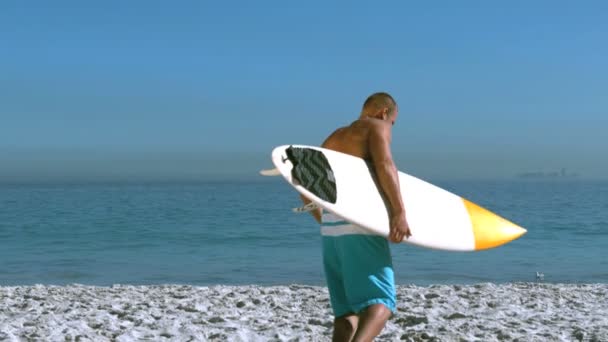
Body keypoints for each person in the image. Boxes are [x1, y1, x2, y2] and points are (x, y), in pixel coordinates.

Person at [300, 92, 411, 342]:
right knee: (381, 303)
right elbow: (384, 165)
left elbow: (306, 184)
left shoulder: (334, 137)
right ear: (384, 113)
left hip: (330, 228)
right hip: (360, 222)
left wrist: (324, 220)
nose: (390, 127)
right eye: (392, 122)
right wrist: (399, 212)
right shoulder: (377, 126)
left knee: (346, 313)